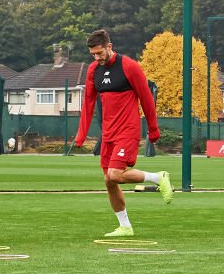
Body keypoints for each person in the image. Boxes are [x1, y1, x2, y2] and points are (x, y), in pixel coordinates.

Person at [74, 29, 172, 238]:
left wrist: (153, 130)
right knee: (109, 181)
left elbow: (146, 98)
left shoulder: (129, 67)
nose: (97, 58)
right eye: (93, 54)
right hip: (108, 134)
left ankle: (158, 177)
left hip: (128, 131)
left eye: (100, 53)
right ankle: (125, 226)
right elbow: (88, 102)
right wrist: (81, 135)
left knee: (115, 175)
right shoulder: (93, 70)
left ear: (109, 47)